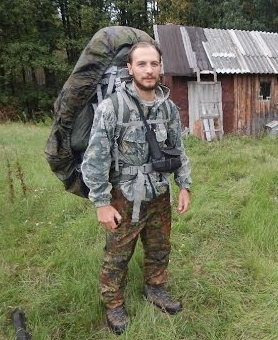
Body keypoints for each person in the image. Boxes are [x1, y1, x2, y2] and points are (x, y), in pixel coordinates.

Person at [81, 42, 192, 335]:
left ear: (160, 68)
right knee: (117, 254)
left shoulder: (168, 108)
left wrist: (184, 185)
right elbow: (95, 159)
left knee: (159, 247)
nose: (148, 70)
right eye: (141, 64)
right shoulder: (112, 108)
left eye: (154, 64)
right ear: (129, 69)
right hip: (124, 197)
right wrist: (101, 203)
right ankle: (113, 304)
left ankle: (155, 289)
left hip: (159, 192)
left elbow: (178, 150)